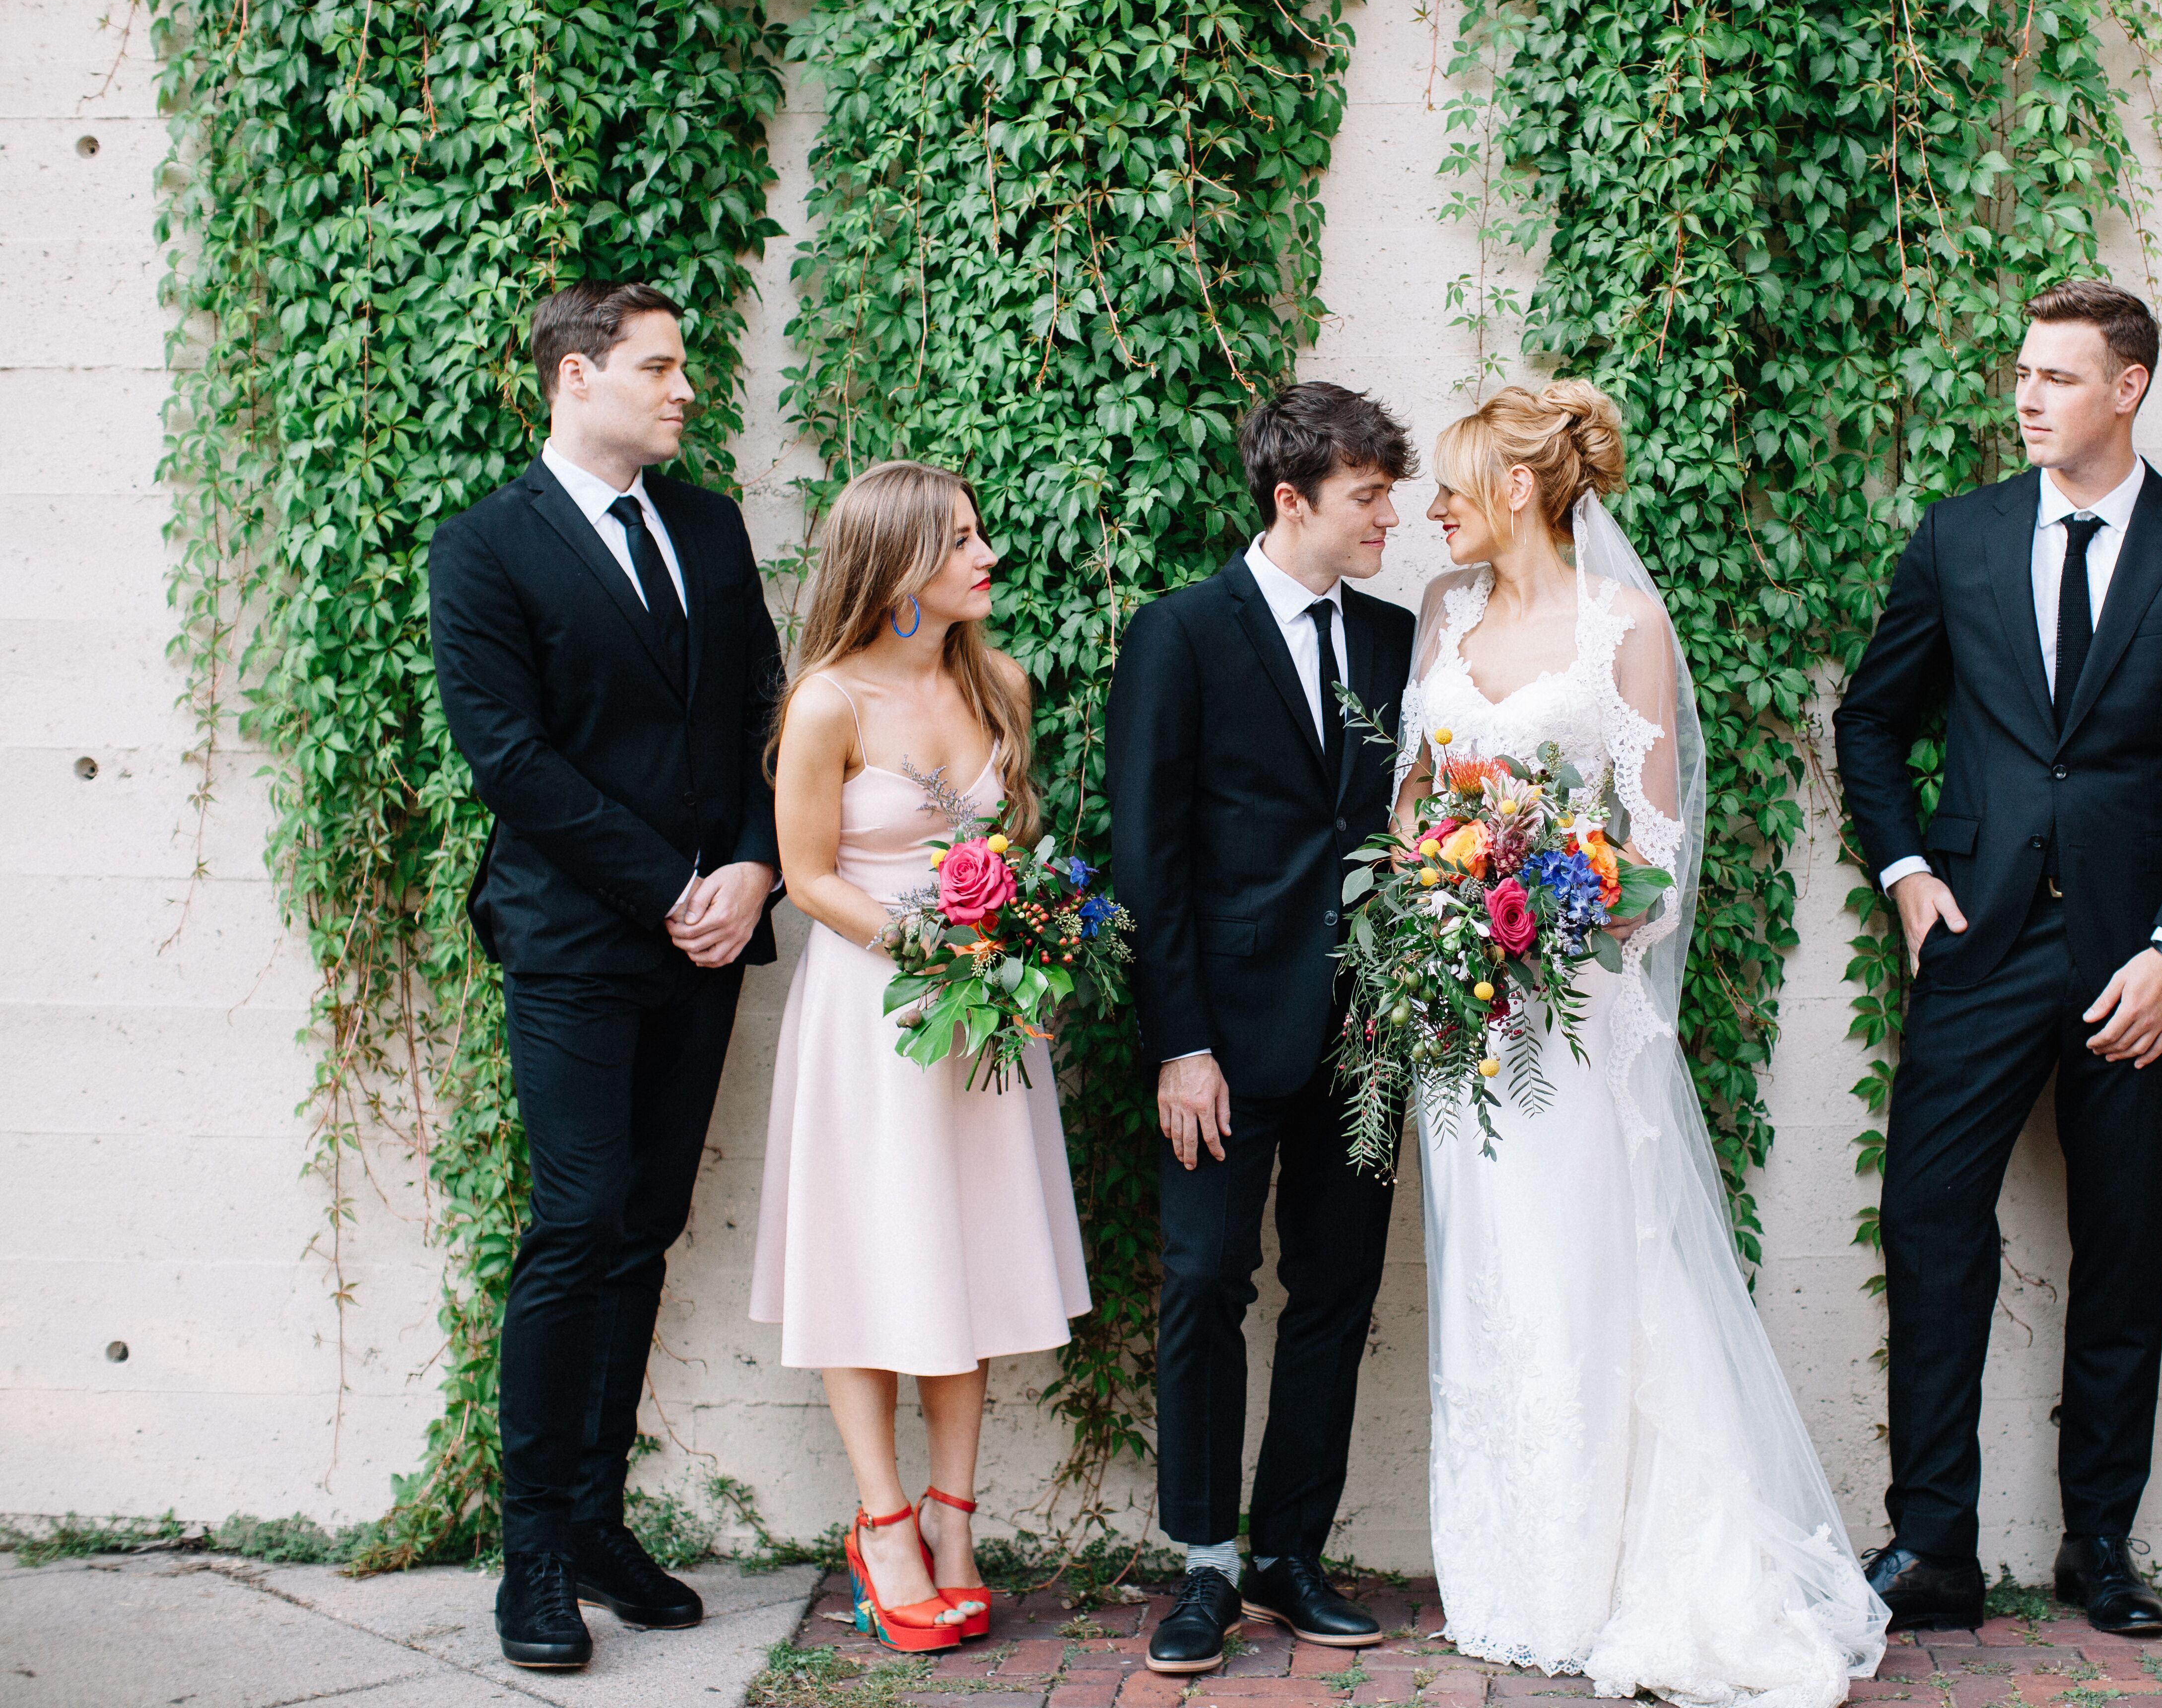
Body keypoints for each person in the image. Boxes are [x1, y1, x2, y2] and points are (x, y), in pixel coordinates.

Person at [1393, 381, 1887, 1706]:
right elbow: (1410, 806)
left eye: (1451, 482)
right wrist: (1439, 909)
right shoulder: (1445, 616)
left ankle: (1605, 1573)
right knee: (1489, 1270)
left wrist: (1548, 910)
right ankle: (1509, 1571)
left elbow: (1655, 851)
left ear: (1515, 489)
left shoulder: (1626, 625)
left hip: (1574, 1004)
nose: (1430, 508)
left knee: (1579, 1270)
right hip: (1463, 1009)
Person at [1832, 280, 2162, 1636]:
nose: (2027, 396)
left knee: (2123, 1249)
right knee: (1928, 1228)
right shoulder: (1959, 537)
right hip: (1976, 941)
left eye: (2058, 376)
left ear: (2129, 386)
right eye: (2022, 374)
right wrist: (1910, 875)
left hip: (2139, 961)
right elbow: (1872, 722)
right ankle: (1932, 1549)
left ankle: (2101, 1543)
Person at [428, 281, 786, 1670]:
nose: (684, 387)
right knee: (576, 1228)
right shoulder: (486, 548)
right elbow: (509, 759)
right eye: (658, 365)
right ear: (577, 379)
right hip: (578, 939)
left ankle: (593, 1519)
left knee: (642, 1226)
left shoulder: (704, 523)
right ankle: (530, 1557)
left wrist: (753, 866)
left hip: (710, 932)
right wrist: (668, 886)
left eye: (682, 365)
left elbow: (771, 711)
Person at [1104, 384, 1419, 1676]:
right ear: (1292, 501)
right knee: (1204, 1290)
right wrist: (1181, 1042)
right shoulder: (1179, 635)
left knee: (1336, 1297)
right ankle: (1205, 1570)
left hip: (1365, 1036)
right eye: (1367, 498)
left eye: (1391, 495)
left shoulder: (1399, 643)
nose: (1389, 518)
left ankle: (1291, 1552)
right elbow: (1145, 854)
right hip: (1222, 1042)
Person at [751, 461, 1091, 1654]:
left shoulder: (998, 681)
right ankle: (883, 1523)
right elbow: (806, 879)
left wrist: (1020, 961)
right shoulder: (827, 704)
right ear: (896, 564)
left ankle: (955, 1517)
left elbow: (1017, 843)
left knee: (969, 1258)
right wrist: (933, 949)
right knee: (868, 1260)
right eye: (958, 540)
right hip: (876, 1015)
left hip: (987, 1019)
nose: (985, 552)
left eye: (979, 530)